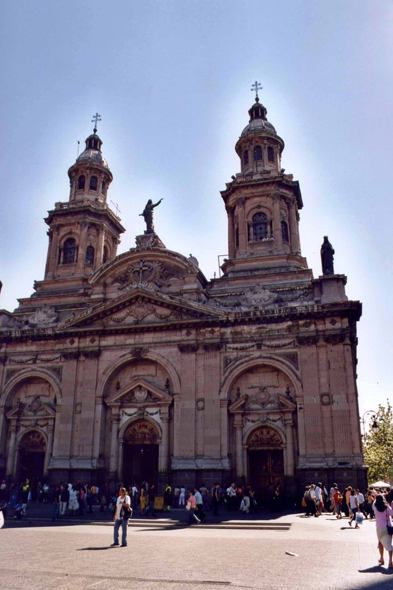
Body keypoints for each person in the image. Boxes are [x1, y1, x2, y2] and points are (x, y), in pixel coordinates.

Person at [373, 493, 393, 568]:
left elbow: (374, 503)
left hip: (379, 527)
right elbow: (392, 514)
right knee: (389, 544)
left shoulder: (375, 506)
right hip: (387, 527)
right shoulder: (387, 507)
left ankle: (382, 558)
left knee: (380, 542)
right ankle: (390, 561)